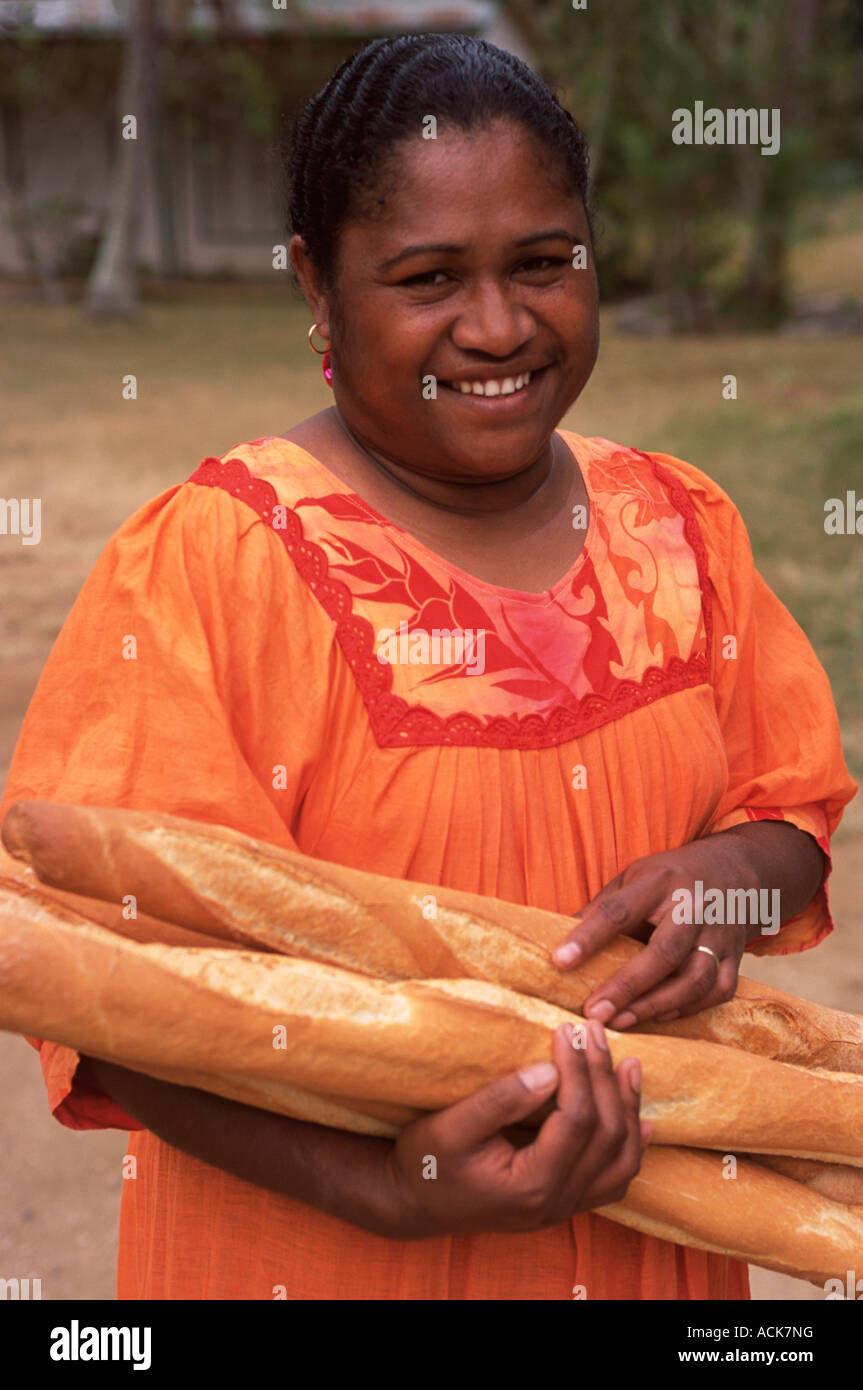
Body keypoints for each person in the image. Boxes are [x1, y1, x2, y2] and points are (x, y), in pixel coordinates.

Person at [2, 33, 855, 1302]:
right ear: (315, 285)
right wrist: (388, 1190)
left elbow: (787, 810)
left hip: (644, 1254)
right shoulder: (219, 560)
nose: (500, 324)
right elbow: (118, 997)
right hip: (321, 1259)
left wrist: (729, 881)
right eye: (426, 276)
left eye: (544, 263)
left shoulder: (678, 522)